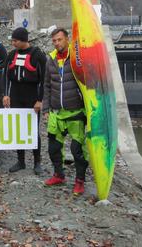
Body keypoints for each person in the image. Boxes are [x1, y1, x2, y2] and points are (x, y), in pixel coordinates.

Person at [42, 28, 88, 195]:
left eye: (59, 40)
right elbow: (47, 85)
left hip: (75, 112)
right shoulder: (51, 59)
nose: (57, 43)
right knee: (53, 148)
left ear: (67, 39)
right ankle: (58, 175)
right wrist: (45, 109)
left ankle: (80, 181)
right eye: (54, 40)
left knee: (77, 150)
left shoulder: (77, 58)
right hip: (56, 113)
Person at [3, 27, 47, 175]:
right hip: (16, 95)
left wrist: (40, 100)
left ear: (23, 40)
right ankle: (20, 161)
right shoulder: (11, 55)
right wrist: (5, 94)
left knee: (34, 129)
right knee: (18, 129)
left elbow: (44, 80)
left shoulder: (38, 55)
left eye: (15, 41)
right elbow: (6, 76)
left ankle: (37, 162)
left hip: (32, 95)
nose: (13, 43)